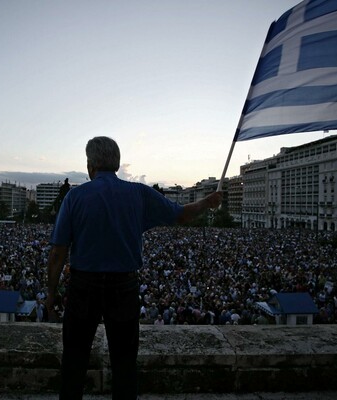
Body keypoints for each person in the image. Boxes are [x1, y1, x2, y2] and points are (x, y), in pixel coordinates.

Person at [46, 136, 221, 400]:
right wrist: (207, 203)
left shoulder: (75, 197)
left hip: (84, 286)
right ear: (115, 163)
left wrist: (51, 292)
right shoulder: (138, 194)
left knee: (74, 360)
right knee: (125, 363)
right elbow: (181, 214)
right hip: (123, 286)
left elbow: (58, 252)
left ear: (91, 165)